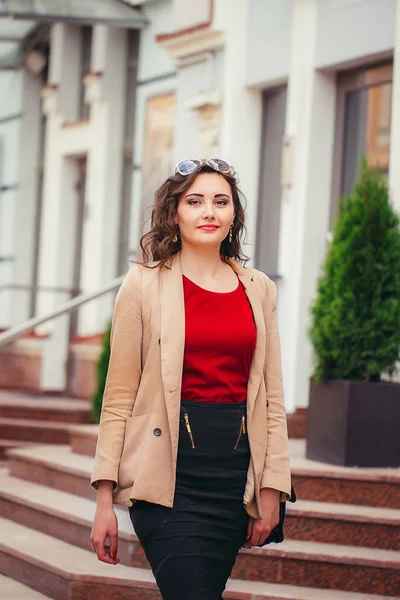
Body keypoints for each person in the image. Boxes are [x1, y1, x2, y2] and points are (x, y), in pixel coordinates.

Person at [89, 158, 292, 600]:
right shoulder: (143, 284)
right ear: (174, 212)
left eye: (221, 202)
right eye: (195, 201)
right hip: (166, 479)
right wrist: (105, 500)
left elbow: (271, 399)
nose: (209, 212)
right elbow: (119, 396)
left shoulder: (258, 288)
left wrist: (271, 487)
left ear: (234, 215)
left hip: (232, 478)